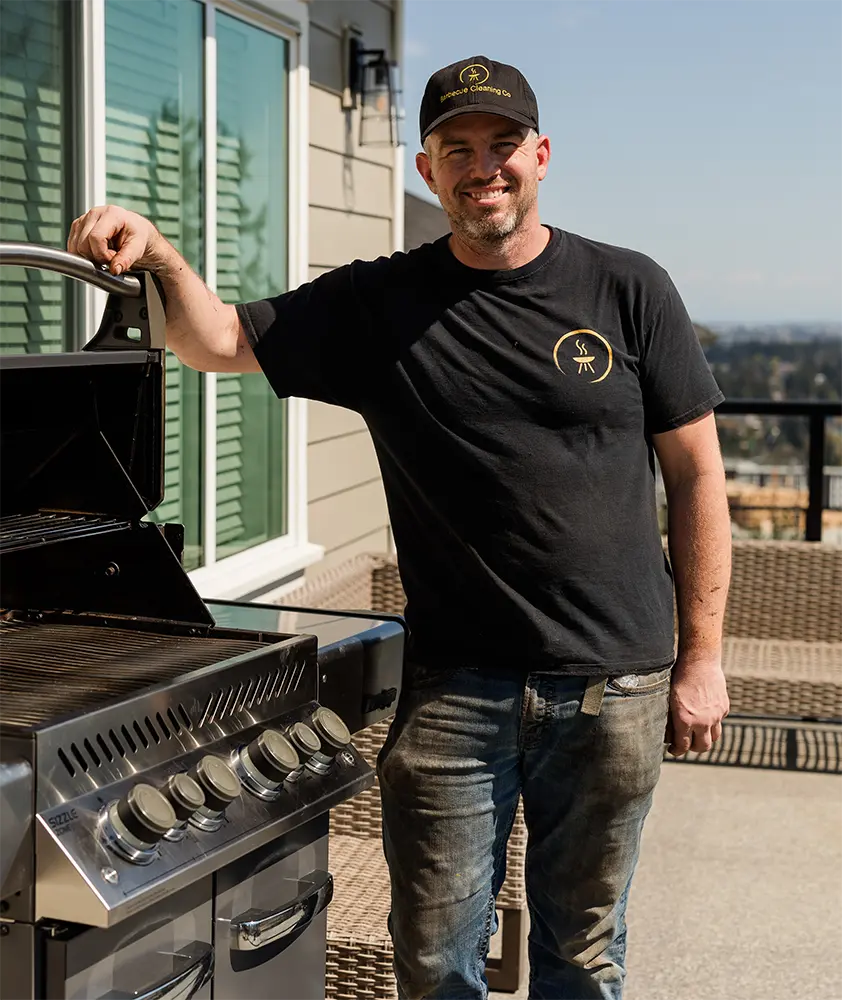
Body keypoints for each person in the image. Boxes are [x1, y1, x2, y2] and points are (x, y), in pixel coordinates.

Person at [68, 55, 731, 1000]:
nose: (483, 167)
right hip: (456, 689)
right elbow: (212, 343)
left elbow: (699, 477)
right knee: (431, 960)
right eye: (457, 148)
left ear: (540, 156)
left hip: (613, 683)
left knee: (584, 956)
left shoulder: (628, 287)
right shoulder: (378, 304)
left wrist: (701, 658)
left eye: (503, 145)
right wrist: (163, 252)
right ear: (427, 170)